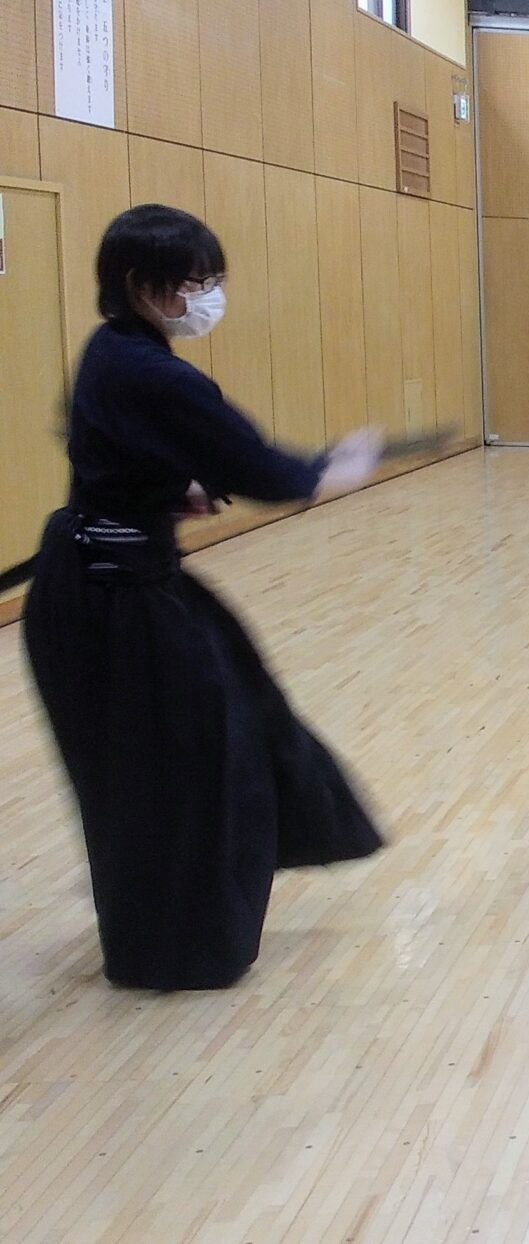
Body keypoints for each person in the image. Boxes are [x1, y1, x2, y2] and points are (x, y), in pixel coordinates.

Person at [21, 204, 387, 990]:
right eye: (192, 281)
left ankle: (178, 937)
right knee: (184, 767)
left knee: (213, 739)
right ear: (139, 284)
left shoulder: (115, 351)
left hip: (109, 580)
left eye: (211, 279)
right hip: (112, 599)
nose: (206, 296)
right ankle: (173, 951)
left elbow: (105, 446)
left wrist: (166, 488)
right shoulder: (152, 372)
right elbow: (261, 470)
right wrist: (332, 471)